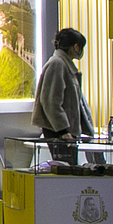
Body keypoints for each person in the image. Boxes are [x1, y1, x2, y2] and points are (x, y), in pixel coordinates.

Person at [31, 28, 89, 164]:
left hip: (65, 132)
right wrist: (63, 130)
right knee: (66, 170)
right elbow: (51, 101)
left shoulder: (63, 65)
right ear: (76, 47)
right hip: (60, 133)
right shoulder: (57, 64)